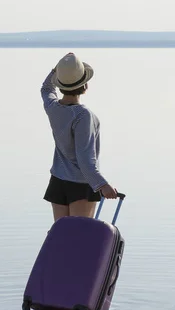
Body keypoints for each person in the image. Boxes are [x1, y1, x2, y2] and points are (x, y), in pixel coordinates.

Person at [40, 52, 118, 222]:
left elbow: (46, 89)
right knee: (78, 239)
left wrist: (58, 69)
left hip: (58, 182)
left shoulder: (52, 107)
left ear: (60, 85)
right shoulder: (83, 116)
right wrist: (103, 185)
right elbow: (85, 161)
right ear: (85, 86)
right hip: (81, 186)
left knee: (63, 239)